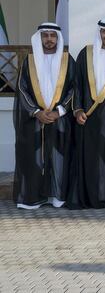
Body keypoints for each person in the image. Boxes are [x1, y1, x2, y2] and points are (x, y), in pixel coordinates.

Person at [13, 23, 75, 209]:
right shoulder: (29, 61)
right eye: (45, 35)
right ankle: (33, 198)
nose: (49, 39)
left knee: (59, 159)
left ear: (58, 38)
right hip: (35, 121)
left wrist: (60, 111)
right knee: (34, 160)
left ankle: (58, 195)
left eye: (52, 36)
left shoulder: (67, 60)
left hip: (60, 120)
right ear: (39, 38)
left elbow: (74, 88)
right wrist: (36, 112)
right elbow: (22, 89)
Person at [68, 19, 105, 209]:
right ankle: (91, 196)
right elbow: (76, 85)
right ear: (99, 33)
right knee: (91, 158)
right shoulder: (85, 54)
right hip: (88, 117)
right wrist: (77, 110)